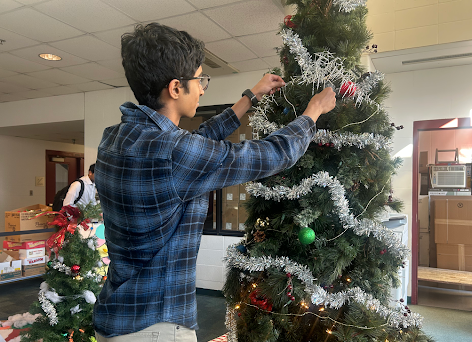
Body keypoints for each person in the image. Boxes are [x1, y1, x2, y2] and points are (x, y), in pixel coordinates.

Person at [93, 22, 336, 342]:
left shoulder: (115, 139)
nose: (204, 87)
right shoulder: (175, 153)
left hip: (114, 317)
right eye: (200, 79)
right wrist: (312, 113)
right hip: (156, 327)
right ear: (176, 87)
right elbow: (272, 154)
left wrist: (249, 97)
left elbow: (198, 142)